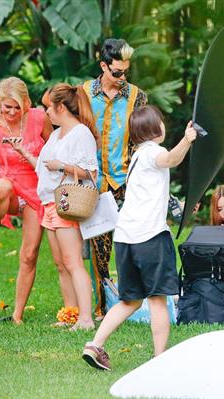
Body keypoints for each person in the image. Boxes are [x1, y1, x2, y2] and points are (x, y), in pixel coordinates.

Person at [83, 106, 197, 370]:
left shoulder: (137, 157)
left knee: (130, 300)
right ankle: (159, 359)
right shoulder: (154, 152)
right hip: (149, 237)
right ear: (156, 128)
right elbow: (170, 160)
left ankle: (94, 345)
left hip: (125, 238)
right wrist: (187, 139)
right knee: (158, 299)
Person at [16, 83, 99, 330]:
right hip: (48, 204)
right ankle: (70, 314)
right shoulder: (56, 134)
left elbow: (91, 173)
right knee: (61, 263)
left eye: (48, 107)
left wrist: (63, 166)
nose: (46, 113)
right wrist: (23, 152)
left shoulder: (80, 133)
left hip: (66, 202)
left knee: (73, 261)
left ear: (61, 107)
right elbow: (45, 167)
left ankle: (86, 319)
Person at [0, 77, 53, 324]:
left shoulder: (39, 118)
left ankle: (18, 315)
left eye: (16, 107)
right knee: (1, 186)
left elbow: (55, 149)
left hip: (36, 190)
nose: (11, 112)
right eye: (5, 106)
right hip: (8, 188)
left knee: (30, 254)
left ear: (26, 103)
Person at [82, 38, 148, 319]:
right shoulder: (84, 92)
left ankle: (131, 303)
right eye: (117, 72)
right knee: (99, 249)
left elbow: (142, 138)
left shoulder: (137, 96)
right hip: (93, 183)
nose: (122, 78)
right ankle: (100, 308)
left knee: (131, 244)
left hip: (126, 181)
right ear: (103, 66)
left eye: (126, 72)